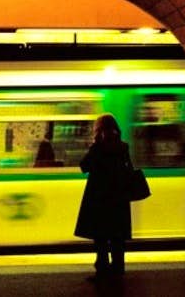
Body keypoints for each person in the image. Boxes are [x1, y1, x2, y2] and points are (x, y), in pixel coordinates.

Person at [74, 114, 133, 281]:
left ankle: (103, 270)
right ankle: (118, 269)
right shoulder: (123, 147)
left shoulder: (98, 148)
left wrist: (93, 146)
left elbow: (83, 166)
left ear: (99, 129)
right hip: (119, 199)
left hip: (100, 199)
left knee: (100, 237)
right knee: (117, 237)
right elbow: (128, 170)